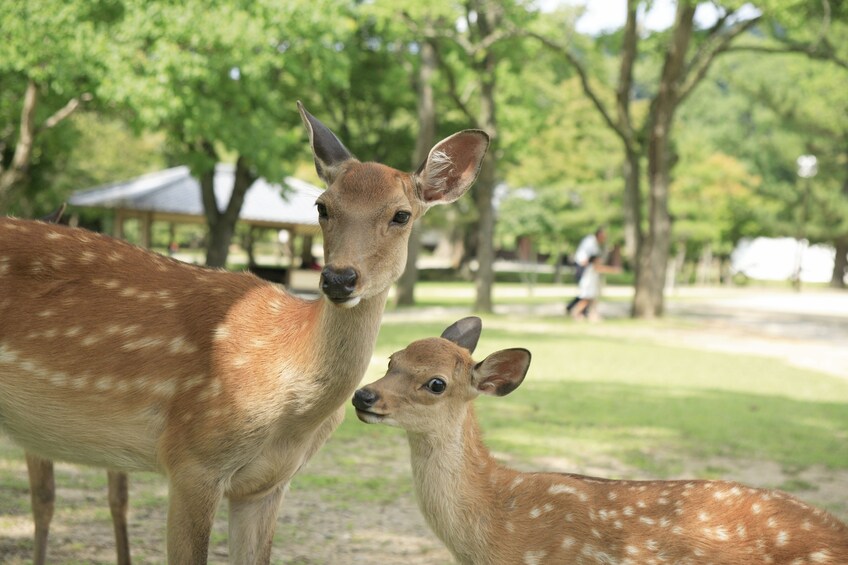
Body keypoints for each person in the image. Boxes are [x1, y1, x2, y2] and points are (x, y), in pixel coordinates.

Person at [566, 227, 607, 315]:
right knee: (585, 291)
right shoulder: (590, 242)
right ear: (599, 235)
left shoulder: (595, 244)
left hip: (587, 266)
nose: (604, 239)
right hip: (582, 266)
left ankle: (575, 308)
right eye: (603, 237)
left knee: (585, 291)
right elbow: (585, 256)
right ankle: (575, 309)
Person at [570, 254, 621, 321]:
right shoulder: (593, 266)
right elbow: (603, 269)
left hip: (590, 286)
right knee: (586, 301)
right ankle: (575, 313)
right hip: (587, 287)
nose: (600, 260)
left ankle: (593, 316)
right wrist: (615, 270)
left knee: (593, 301)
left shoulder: (591, 266)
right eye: (598, 259)